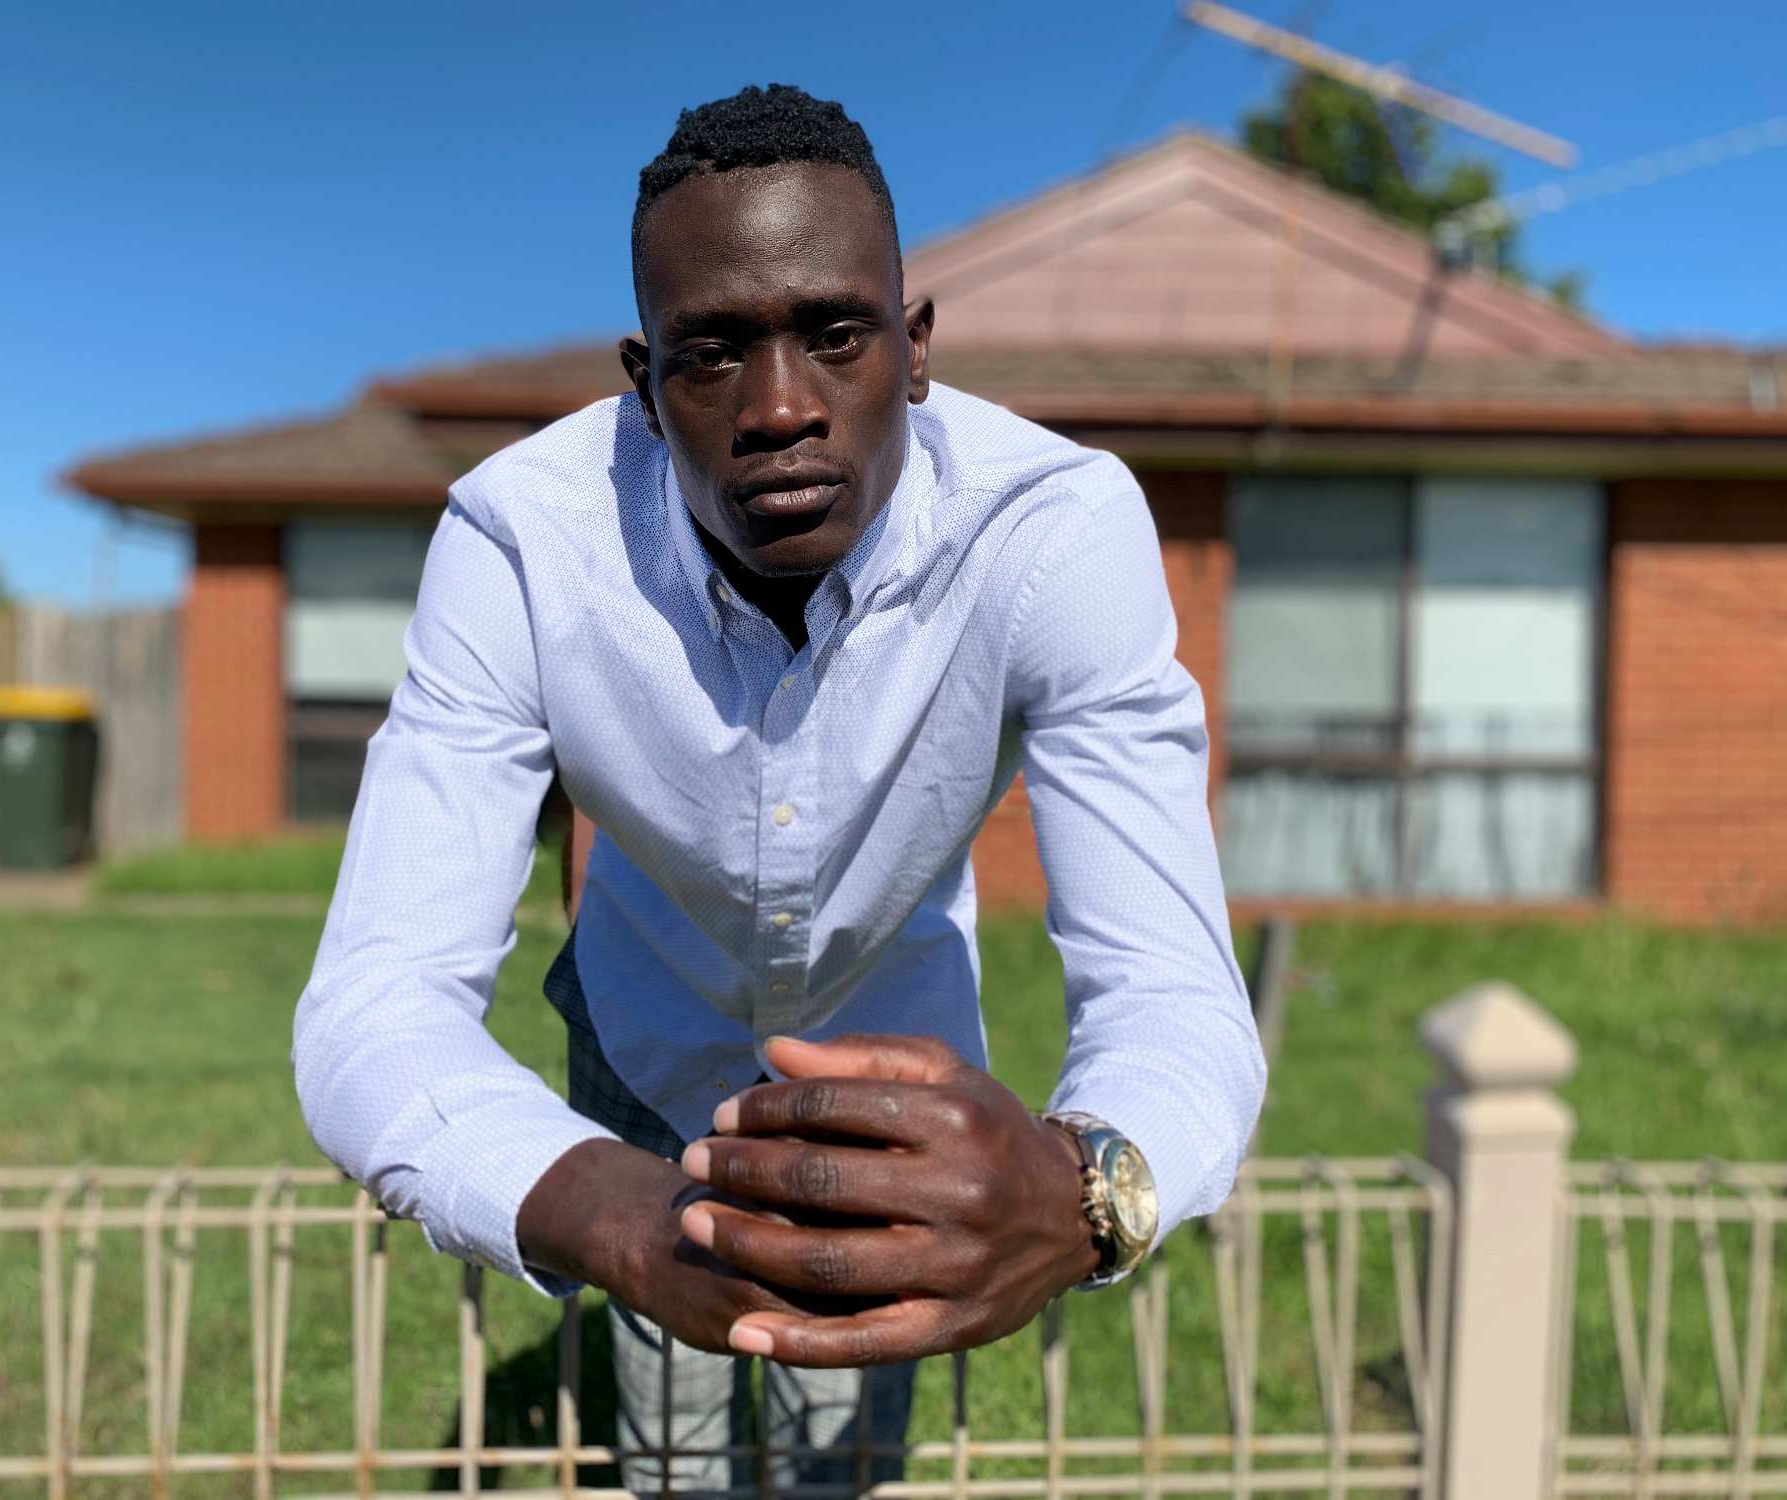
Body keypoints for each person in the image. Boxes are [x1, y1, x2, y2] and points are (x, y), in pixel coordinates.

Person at [293, 84, 1266, 1496]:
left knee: (843, 1457)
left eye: (834, 334)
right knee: (673, 1456)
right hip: (639, 1045)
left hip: (894, 1058)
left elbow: (1175, 992)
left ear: (915, 347)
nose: (781, 408)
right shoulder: (519, 541)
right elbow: (372, 1009)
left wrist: (1086, 1190)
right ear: (641, 382)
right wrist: (611, 1215)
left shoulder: (1057, 533)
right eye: (711, 355)